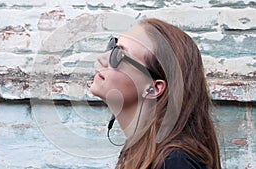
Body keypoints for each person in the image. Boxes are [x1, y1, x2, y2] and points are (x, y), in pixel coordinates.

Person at [90, 18, 221, 169]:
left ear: (153, 88)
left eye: (119, 55)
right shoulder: (143, 151)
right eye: (113, 47)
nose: (101, 59)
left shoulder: (174, 162)